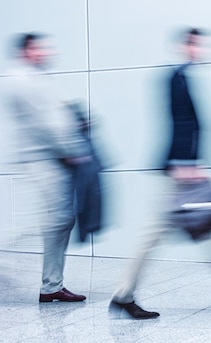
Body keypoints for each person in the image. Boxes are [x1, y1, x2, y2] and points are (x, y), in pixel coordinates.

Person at [110, 28, 211, 319]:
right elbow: (179, 121)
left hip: (186, 167)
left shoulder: (185, 77)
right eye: (197, 45)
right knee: (156, 233)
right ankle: (123, 295)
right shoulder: (176, 77)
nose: (202, 51)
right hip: (180, 170)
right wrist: (184, 163)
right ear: (185, 47)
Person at [6, 33, 92, 302]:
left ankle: (51, 286)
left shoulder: (36, 79)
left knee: (60, 221)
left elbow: (54, 117)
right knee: (55, 220)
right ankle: (46, 282)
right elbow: (48, 123)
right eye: (39, 48)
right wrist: (74, 150)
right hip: (44, 161)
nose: (45, 52)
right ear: (26, 51)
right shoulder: (24, 81)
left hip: (50, 160)